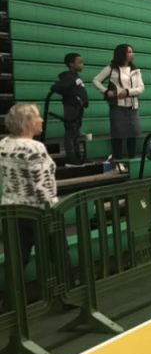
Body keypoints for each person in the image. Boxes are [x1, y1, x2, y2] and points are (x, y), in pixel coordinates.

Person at [0, 104, 58, 272]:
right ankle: (70, 292)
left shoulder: (3, 144)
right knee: (59, 254)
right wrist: (52, 209)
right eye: (37, 117)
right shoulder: (34, 148)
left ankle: (12, 297)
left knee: (17, 259)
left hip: (11, 210)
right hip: (37, 212)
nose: (42, 120)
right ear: (27, 121)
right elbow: (43, 187)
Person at [92, 44, 144, 162]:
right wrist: (106, 91)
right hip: (117, 106)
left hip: (133, 106)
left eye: (132, 51)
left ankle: (132, 160)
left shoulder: (136, 70)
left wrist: (128, 92)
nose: (132, 54)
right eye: (129, 52)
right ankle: (118, 161)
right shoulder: (111, 68)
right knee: (117, 134)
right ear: (122, 54)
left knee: (133, 134)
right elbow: (96, 80)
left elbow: (141, 88)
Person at [51, 52, 89, 165]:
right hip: (71, 107)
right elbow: (56, 87)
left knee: (76, 133)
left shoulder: (76, 77)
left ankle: (78, 156)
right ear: (71, 64)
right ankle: (71, 158)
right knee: (71, 133)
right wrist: (72, 95)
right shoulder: (68, 77)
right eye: (80, 62)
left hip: (78, 108)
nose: (82, 64)